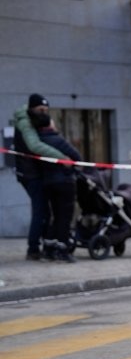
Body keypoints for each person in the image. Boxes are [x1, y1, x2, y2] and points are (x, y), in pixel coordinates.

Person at [12, 94, 70, 261]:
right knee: (41, 211)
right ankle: (33, 249)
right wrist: (61, 157)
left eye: (46, 110)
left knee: (44, 211)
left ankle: (45, 245)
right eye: (41, 110)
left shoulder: (34, 119)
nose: (44, 113)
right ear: (32, 108)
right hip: (30, 174)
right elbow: (35, 145)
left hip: (35, 172)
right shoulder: (25, 123)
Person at [32, 114, 82, 263]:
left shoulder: (37, 142)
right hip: (64, 182)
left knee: (55, 216)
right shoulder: (57, 140)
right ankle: (63, 250)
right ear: (49, 125)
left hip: (48, 183)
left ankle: (49, 249)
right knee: (64, 217)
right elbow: (77, 157)